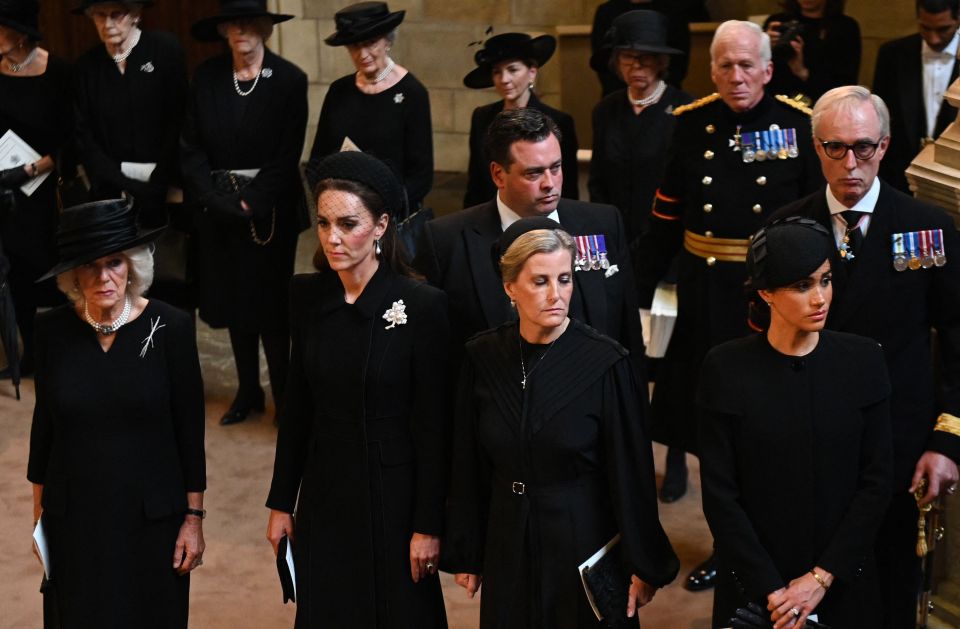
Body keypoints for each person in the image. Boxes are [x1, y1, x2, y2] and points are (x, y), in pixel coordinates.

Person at [634, 19, 822, 589]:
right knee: (711, 430)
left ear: (769, 69)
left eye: (747, 65)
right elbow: (665, 220)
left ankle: (777, 543)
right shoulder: (691, 125)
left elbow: (814, 225)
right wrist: (626, 290)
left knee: (770, 430)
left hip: (773, 303)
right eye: (724, 66)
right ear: (709, 70)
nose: (735, 76)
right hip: (705, 299)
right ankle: (727, 544)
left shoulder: (797, 123)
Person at [769, 85, 960, 629]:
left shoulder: (930, 229)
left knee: (892, 581)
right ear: (815, 146)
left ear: (886, 145)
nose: (850, 163)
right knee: (811, 581)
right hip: (809, 437)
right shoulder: (784, 229)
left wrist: (946, 440)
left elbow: (957, 337)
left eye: (864, 147)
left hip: (898, 441)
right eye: (835, 148)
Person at [444, 221, 678, 627]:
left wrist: (642, 562)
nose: (556, 295)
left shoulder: (606, 363)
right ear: (509, 287)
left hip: (582, 538)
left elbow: (630, 473)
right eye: (540, 281)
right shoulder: (482, 357)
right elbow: (470, 464)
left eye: (565, 279)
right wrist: (469, 548)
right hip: (507, 536)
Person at [266, 151, 449, 628]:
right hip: (326, 492)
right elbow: (298, 408)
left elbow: (434, 428)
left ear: (382, 225)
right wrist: (281, 502)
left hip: (395, 495)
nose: (333, 238)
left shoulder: (423, 305)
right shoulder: (306, 296)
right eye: (324, 223)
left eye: (348, 224)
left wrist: (427, 526)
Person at [699, 217, 892, 629]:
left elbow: (876, 482)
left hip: (843, 581)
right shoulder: (725, 368)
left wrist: (820, 578)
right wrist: (774, 593)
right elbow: (720, 496)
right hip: (756, 590)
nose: (820, 297)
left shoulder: (864, 360)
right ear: (766, 292)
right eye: (802, 286)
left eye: (825, 280)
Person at [27, 198, 206, 627]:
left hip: (152, 522)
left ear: (133, 266)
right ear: (72, 274)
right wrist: (40, 521)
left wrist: (193, 521)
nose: (104, 277)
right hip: (75, 522)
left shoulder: (171, 328)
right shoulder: (52, 331)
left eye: (114, 262)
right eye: (90, 265)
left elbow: (189, 434)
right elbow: (44, 431)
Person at [414, 107, 645, 371]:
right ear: (498, 175)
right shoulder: (446, 241)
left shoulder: (603, 224)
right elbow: (431, 354)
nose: (550, 183)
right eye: (534, 173)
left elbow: (629, 342)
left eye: (556, 168)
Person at [181, 0, 307, 425]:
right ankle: (248, 390)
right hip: (216, 208)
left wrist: (251, 200)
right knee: (234, 300)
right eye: (232, 24)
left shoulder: (290, 80)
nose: (241, 31)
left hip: (268, 212)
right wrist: (214, 199)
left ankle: (285, 397)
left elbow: (288, 154)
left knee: (269, 305)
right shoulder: (207, 77)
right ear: (223, 31)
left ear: (265, 29)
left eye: (249, 23)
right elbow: (191, 146)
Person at [0, 0, 72, 375]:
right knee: (14, 273)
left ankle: (60, 355)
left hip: (44, 191)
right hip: (4, 194)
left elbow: (70, 137)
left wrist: (31, 169)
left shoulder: (58, 71)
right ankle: (27, 356)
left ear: (20, 34)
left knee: (48, 269)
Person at [307, 1, 433, 214]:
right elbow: (317, 161)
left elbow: (421, 176)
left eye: (371, 42)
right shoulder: (339, 91)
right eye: (355, 45)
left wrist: (378, 211)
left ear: (388, 41)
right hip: (341, 215)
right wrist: (331, 201)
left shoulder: (412, 93)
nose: (363, 53)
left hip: (390, 217)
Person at [72, 0, 186, 230]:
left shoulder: (165, 50)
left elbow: (180, 119)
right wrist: (122, 182)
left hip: (166, 189)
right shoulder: (86, 67)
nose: (108, 23)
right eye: (99, 15)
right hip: (111, 194)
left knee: (167, 262)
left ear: (136, 14)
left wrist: (158, 181)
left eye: (116, 14)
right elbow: (83, 136)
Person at [588, 9, 692, 251]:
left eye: (644, 57)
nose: (636, 66)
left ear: (660, 61)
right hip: (615, 241)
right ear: (617, 62)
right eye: (627, 57)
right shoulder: (605, 110)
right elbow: (598, 182)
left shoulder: (684, 109)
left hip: (667, 244)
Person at [462, 32, 579, 208]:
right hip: (490, 218)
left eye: (512, 69)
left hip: (540, 219)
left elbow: (568, 188)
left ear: (532, 72)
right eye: (497, 72)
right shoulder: (482, 117)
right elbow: (475, 182)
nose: (504, 79)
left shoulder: (558, 121)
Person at [874, 0, 960, 193]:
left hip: (955, 180)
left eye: (943, 29)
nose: (934, 38)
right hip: (898, 178)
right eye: (925, 28)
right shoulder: (892, 54)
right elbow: (879, 120)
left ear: (958, 19)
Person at [590, 0, 705, 95]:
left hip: (665, 98)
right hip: (617, 100)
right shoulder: (606, 11)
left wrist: (653, 94)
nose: (637, 64)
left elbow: (679, 64)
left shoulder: (675, 11)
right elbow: (604, 64)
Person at [762, 0, 861, 104]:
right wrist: (764, 44)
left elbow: (846, 85)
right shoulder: (778, 22)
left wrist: (802, 72)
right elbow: (756, 68)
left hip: (820, 104)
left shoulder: (845, 27)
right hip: (774, 99)